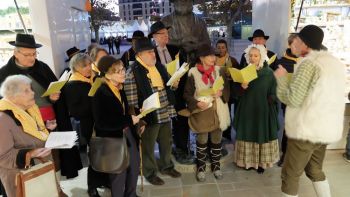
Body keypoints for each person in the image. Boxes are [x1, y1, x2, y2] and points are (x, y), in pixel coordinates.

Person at [274, 25, 345, 197]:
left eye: (297, 41)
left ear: (305, 44)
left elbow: (293, 99)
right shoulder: (334, 63)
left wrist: (282, 79)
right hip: (325, 128)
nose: (293, 45)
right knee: (315, 169)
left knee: (290, 174)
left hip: (306, 130)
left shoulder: (309, 64)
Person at [0, 33, 82, 179]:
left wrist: (53, 98)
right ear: (15, 53)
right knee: (33, 163)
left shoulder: (42, 67)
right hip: (23, 125)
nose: (32, 58)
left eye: (34, 54)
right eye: (27, 55)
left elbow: (55, 91)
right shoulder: (5, 73)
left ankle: (54, 179)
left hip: (49, 119)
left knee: (52, 154)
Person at [124, 37, 181, 185]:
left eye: (153, 51)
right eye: (149, 52)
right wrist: (140, 120)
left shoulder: (159, 66)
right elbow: (131, 101)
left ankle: (166, 166)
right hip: (149, 116)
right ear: (139, 55)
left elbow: (168, 85)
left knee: (166, 141)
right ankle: (149, 172)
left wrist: (174, 83)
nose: (153, 54)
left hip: (165, 111)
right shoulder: (132, 73)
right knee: (148, 146)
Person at [0, 75, 65, 197]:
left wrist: (45, 127)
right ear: (12, 96)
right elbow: (3, 157)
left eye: (30, 89)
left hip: (41, 171)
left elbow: (26, 132)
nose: (32, 93)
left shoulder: (27, 109)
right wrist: (31, 154)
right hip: (23, 180)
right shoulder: (2, 119)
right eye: (27, 90)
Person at [93, 56, 142, 197]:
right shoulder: (101, 93)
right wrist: (128, 120)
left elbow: (125, 112)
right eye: (118, 71)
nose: (123, 73)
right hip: (113, 140)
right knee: (118, 173)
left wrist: (136, 122)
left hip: (127, 134)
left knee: (134, 166)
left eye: (122, 69)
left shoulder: (119, 88)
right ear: (107, 75)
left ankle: (131, 194)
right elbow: (102, 123)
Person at [62, 53, 109, 197]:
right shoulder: (72, 85)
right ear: (75, 68)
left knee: (105, 154)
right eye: (84, 66)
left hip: (103, 122)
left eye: (89, 64)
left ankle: (104, 179)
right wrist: (93, 101)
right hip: (89, 125)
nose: (89, 68)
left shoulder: (93, 78)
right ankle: (92, 186)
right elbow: (75, 111)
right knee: (95, 156)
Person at [183, 44, 230, 182]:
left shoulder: (219, 70)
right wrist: (196, 103)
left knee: (216, 140)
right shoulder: (193, 72)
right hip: (203, 112)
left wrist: (221, 93)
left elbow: (226, 89)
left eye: (214, 55)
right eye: (210, 55)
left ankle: (216, 166)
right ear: (201, 58)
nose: (213, 57)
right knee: (202, 140)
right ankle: (201, 168)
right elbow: (187, 94)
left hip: (218, 111)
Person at [148, 21, 193, 164]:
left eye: (167, 33)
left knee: (181, 121)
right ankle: (166, 154)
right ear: (154, 36)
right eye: (163, 34)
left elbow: (184, 68)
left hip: (178, 93)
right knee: (164, 126)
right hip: (162, 95)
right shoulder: (150, 53)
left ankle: (181, 148)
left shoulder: (175, 50)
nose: (166, 36)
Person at [233, 44, 280, 174]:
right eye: (251, 55)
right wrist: (241, 87)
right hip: (247, 109)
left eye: (256, 55)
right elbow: (235, 94)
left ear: (262, 57)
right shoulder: (243, 72)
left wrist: (271, 99)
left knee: (261, 133)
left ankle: (261, 163)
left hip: (262, 109)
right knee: (248, 132)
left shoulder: (269, 73)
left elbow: (274, 91)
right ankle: (248, 162)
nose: (253, 58)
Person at [274, 33, 299, 167]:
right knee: (288, 129)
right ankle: (285, 154)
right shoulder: (282, 61)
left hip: (304, 103)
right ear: (290, 45)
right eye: (295, 44)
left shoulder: (306, 59)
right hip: (289, 101)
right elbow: (277, 81)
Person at [161, 0, 211, 64]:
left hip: (197, 64)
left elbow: (207, 43)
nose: (183, 2)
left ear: (192, 2)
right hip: (173, 64)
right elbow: (159, 43)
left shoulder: (201, 22)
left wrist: (196, 45)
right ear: (174, 2)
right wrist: (180, 42)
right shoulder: (165, 22)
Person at [215, 39, 239, 142]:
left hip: (227, 92)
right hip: (215, 92)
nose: (221, 50)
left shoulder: (232, 60)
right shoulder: (212, 59)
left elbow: (238, 75)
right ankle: (216, 135)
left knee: (227, 113)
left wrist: (231, 76)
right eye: (219, 47)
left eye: (223, 47)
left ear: (226, 48)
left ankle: (227, 135)